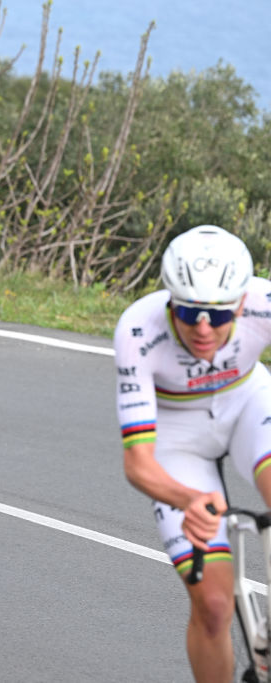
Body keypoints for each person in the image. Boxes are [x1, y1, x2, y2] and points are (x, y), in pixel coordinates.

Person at [115, 224, 271, 681]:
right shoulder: (139, 330)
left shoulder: (264, 303)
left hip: (248, 404)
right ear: (170, 300)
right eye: (189, 311)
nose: (204, 329)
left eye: (220, 316)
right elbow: (138, 463)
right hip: (176, 435)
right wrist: (187, 502)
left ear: (242, 304)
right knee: (214, 606)